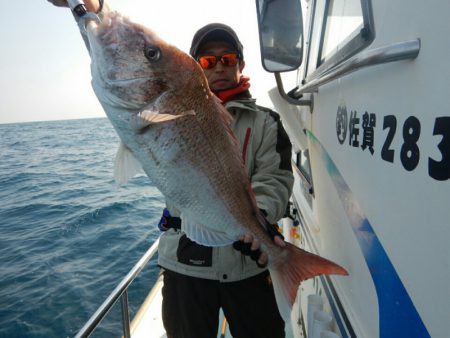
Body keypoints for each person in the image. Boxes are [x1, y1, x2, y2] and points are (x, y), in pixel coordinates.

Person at [47, 1, 294, 337]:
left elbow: (276, 178)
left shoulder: (266, 121)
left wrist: (257, 220)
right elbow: (112, 54)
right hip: (184, 264)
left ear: (241, 64)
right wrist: (88, 8)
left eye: (228, 59)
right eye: (208, 60)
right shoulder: (158, 104)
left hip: (247, 266)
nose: (219, 66)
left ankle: (288, 265)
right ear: (196, 66)